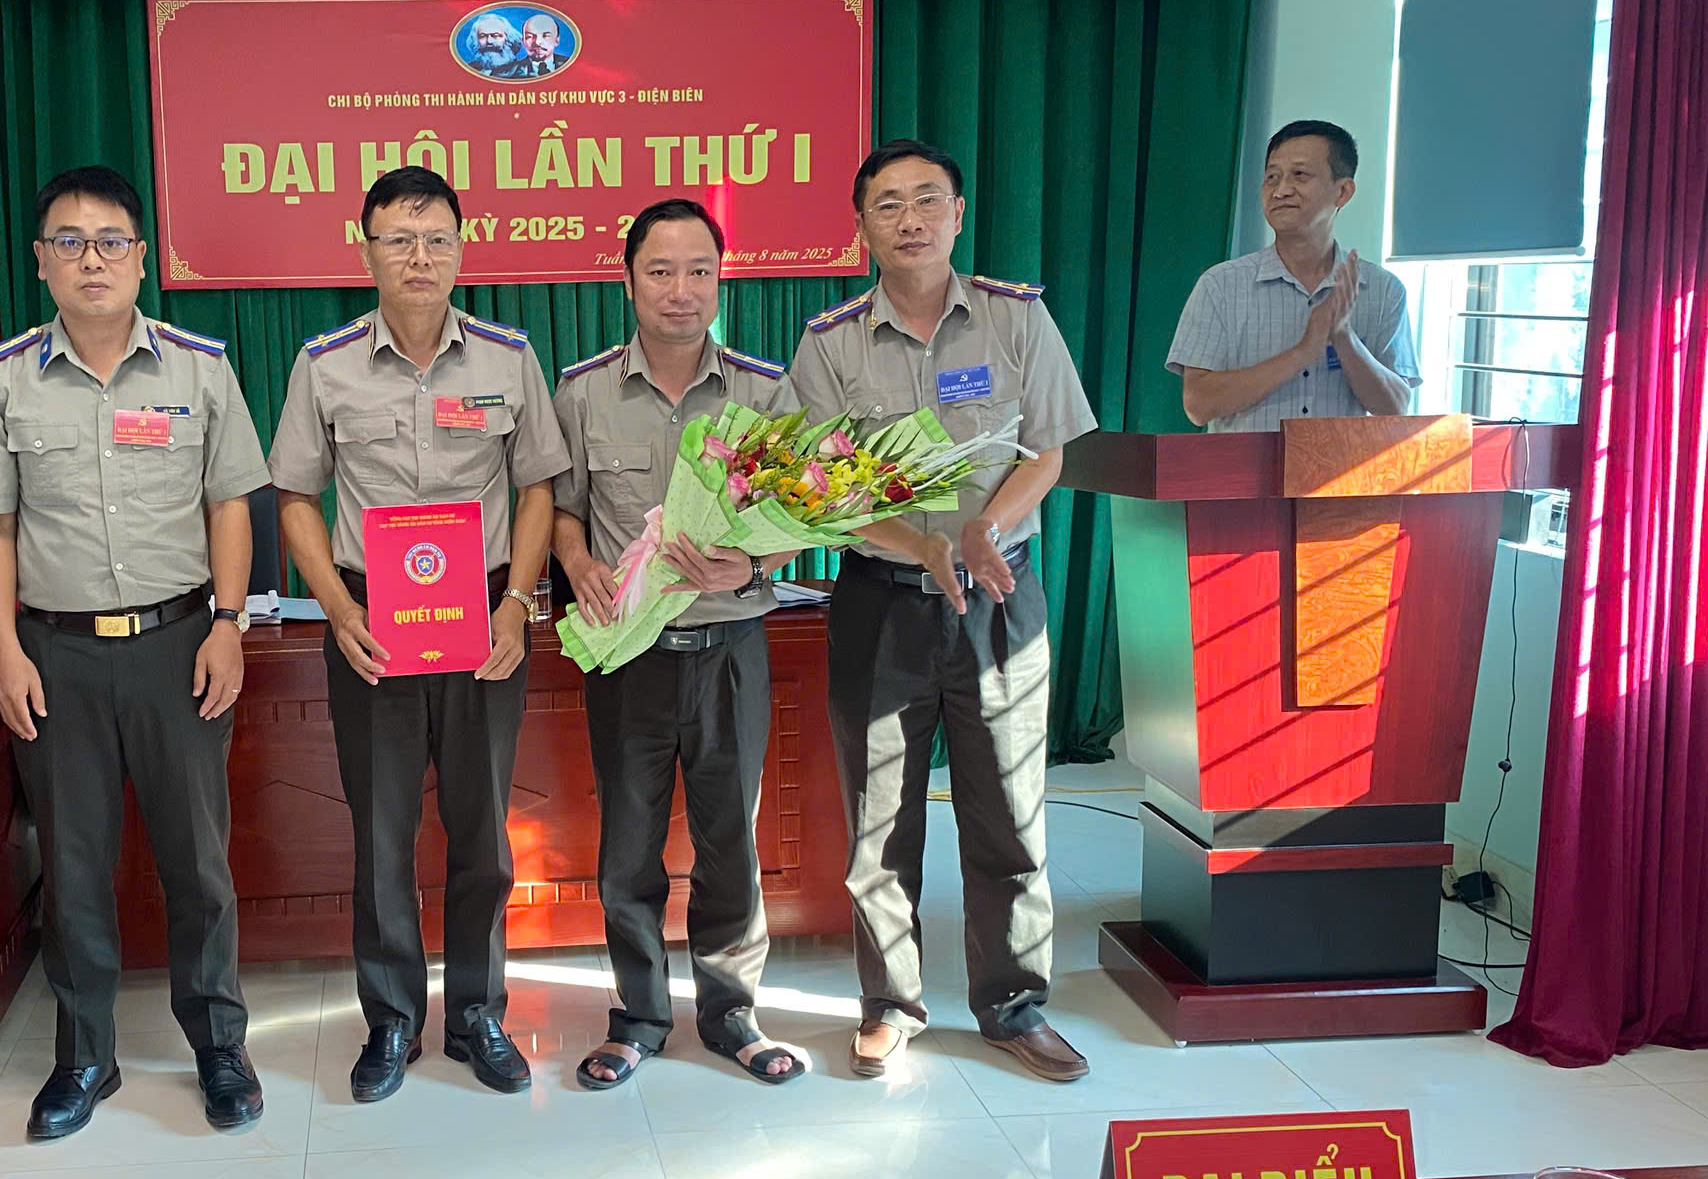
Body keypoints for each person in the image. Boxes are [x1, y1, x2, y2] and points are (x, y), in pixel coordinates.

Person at [0, 165, 272, 1140]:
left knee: (198, 862)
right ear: (41, 262)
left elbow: (230, 503)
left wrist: (229, 623)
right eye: (69, 241)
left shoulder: (198, 369)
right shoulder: (4, 379)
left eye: (110, 241)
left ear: (141, 259)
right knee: (74, 865)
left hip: (178, 646)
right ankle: (85, 1055)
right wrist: (4, 650)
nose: (90, 259)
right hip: (56, 657)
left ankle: (218, 1043)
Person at [789, 140, 1100, 1085]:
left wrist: (980, 531)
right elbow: (818, 492)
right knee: (879, 820)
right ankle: (890, 1006)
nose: (910, 219)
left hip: (999, 596)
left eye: (928, 199)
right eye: (888, 204)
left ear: (958, 214)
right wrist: (920, 544)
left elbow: (1050, 449)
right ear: (860, 227)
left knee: (1008, 811)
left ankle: (1014, 1006)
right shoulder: (830, 343)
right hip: (882, 605)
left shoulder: (1016, 319)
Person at [270, 165, 571, 1103]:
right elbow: (295, 495)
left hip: (484, 617)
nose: (419, 257)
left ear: (461, 250)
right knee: (383, 830)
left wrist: (519, 604)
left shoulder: (506, 358)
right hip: (371, 621)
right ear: (364, 250)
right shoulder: (324, 364)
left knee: (482, 829)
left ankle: (479, 1013)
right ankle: (392, 1019)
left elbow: (537, 487)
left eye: (437, 239)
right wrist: (338, 608)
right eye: (398, 239)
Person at [551, 199, 806, 1091]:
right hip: (630, 655)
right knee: (630, 842)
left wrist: (754, 563)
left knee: (729, 837)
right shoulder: (583, 392)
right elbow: (561, 508)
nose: (681, 289)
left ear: (720, 280)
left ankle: (732, 1013)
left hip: (730, 648)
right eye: (660, 271)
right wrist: (576, 559)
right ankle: (639, 1017)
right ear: (628, 281)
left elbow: (806, 515)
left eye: (700, 270)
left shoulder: (764, 392)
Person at [1170, 119, 1420, 430]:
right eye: (1272, 177)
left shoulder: (1383, 290)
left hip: (1339, 463)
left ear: (1343, 191)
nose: (1281, 191)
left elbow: (1396, 408)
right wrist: (1302, 352)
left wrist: (1344, 337)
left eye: (1299, 175)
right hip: (1246, 464)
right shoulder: (1221, 285)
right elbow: (1198, 404)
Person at [491, 14, 569, 79]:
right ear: (523, 41)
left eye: (546, 36)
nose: (537, 42)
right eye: (530, 37)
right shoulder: (502, 74)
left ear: (557, 40)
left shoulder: (571, 66)